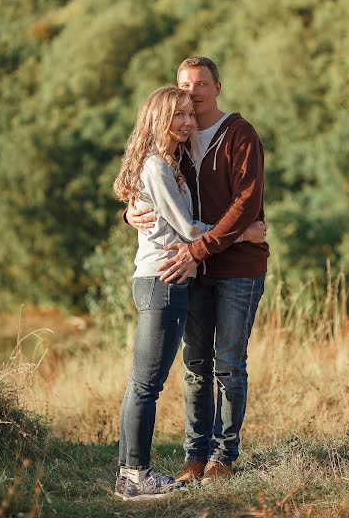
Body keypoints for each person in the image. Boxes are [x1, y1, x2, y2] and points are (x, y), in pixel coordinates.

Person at [113, 84, 265, 501]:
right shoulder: (159, 166)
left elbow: (154, 207)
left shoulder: (170, 159)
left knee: (152, 381)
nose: (185, 121)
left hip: (173, 278)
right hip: (163, 279)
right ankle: (134, 476)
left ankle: (136, 473)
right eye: (176, 113)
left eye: (188, 114)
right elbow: (187, 229)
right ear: (158, 118)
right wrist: (245, 234)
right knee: (146, 384)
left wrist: (131, 208)